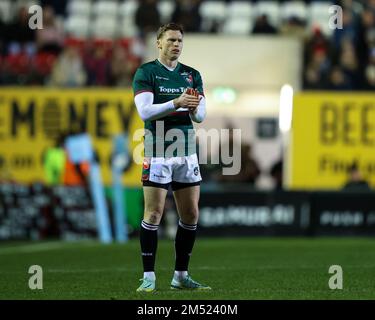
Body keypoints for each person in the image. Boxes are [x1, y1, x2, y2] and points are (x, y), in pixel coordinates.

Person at [132, 23, 210, 292]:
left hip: (186, 151)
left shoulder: (192, 75)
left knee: (190, 213)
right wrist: (175, 103)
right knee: (153, 213)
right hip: (158, 150)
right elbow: (144, 112)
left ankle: (180, 276)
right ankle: (149, 278)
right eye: (171, 40)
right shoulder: (147, 72)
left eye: (180, 40)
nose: (176, 44)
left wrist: (194, 104)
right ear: (159, 43)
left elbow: (200, 116)